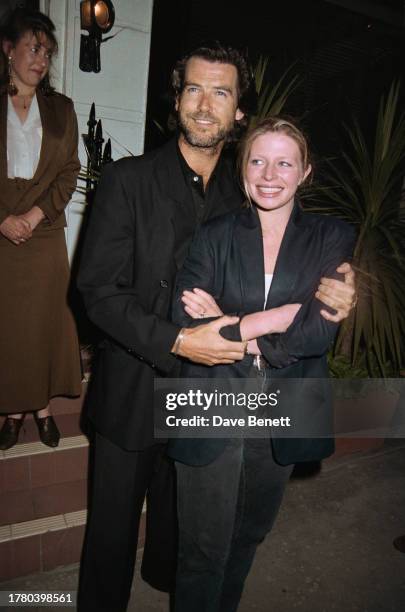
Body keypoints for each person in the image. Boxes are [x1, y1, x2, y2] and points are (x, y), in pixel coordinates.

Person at [77, 43, 356, 612]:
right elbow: (96, 293)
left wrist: (337, 295)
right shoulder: (128, 180)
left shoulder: (249, 191)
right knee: (110, 543)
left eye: (221, 92)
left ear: (239, 113)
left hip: (212, 398)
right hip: (137, 385)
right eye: (194, 90)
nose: (205, 105)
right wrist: (179, 339)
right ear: (176, 100)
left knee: (188, 538)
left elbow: (297, 282)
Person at [169, 116, 357, 612]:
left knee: (249, 534)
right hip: (210, 398)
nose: (269, 174)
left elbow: (318, 332)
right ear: (242, 169)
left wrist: (230, 325)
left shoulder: (332, 236)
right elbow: (182, 323)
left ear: (305, 172)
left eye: (284, 162)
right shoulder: (214, 235)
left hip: (286, 401)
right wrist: (270, 319)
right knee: (201, 548)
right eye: (257, 160)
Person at [0, 8, 81, 450]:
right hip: (0, 233)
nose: (40, 59)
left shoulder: (61, 109)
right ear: (8, 49)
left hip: (44, 231)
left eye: (47, 52)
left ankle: (42, 409)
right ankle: (14, 412)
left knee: (46, 322)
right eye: (33, 48)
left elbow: (69, 172)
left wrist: (34, 216)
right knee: (10, 327)